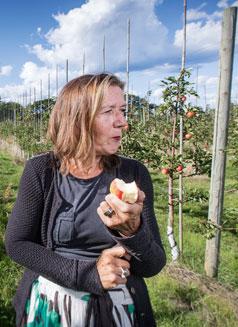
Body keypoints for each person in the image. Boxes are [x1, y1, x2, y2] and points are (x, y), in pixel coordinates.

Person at [5, 73, 166, 327]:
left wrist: (132, 231)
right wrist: (87, 274)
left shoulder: (132, 174)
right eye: (109, 111)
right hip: (52, 308)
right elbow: (17, 243)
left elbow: (152, 265)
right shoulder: (41, 171)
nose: (122, 122)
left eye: (122, 110)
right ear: (78, 119)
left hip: (118, 311)